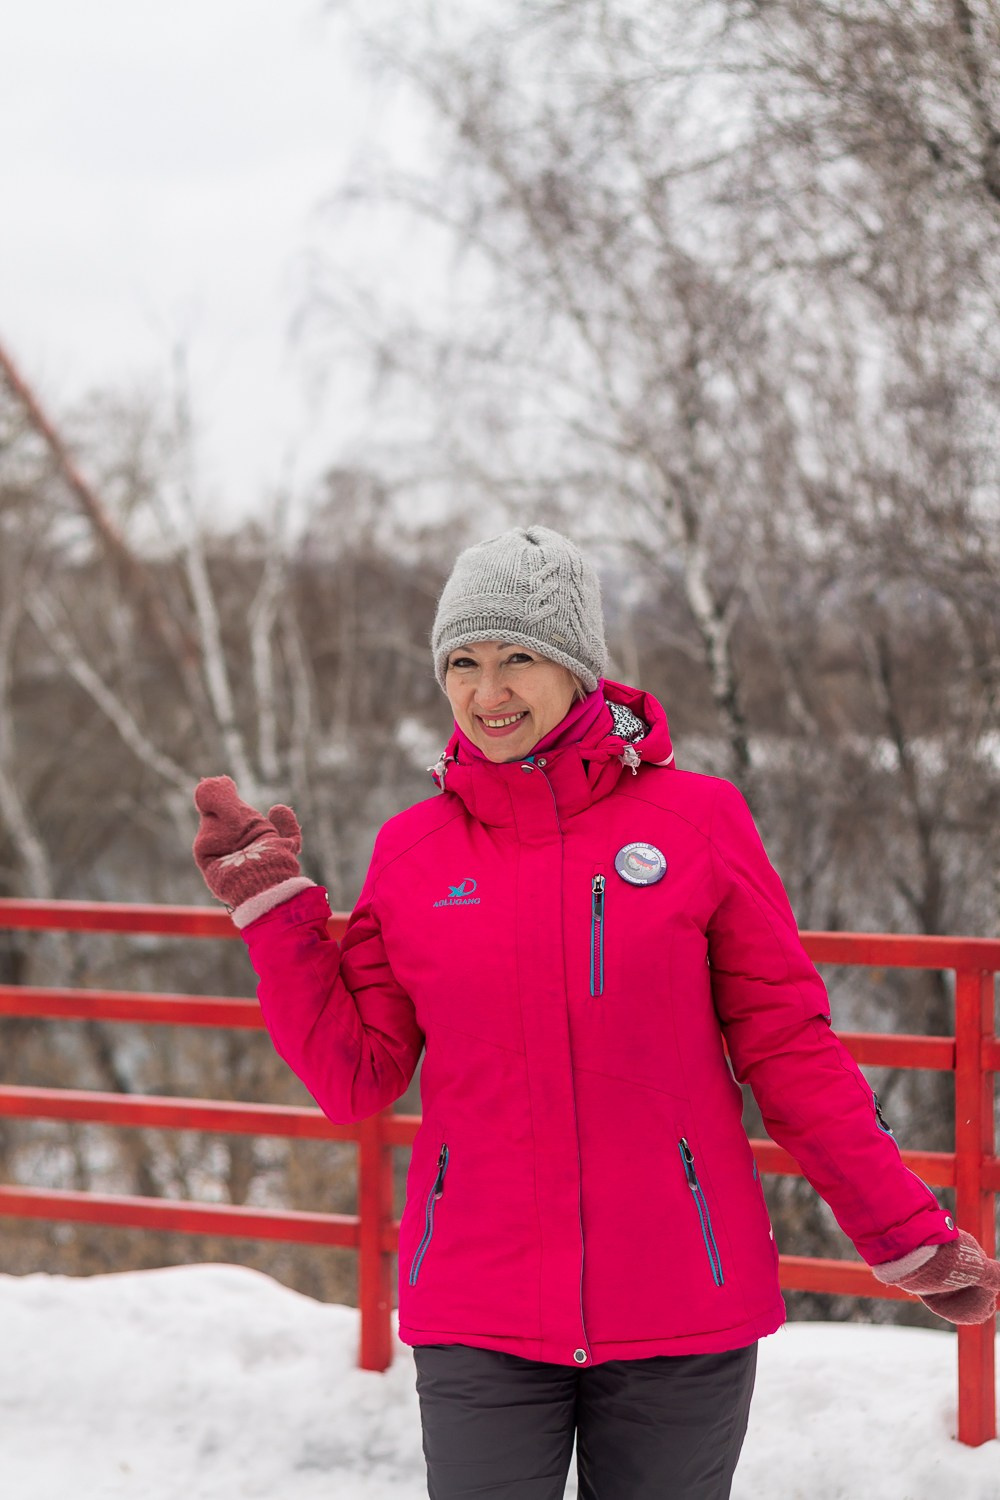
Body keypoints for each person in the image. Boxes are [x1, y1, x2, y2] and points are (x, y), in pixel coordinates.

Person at [192, 526, 999, 1500]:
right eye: (463, 663)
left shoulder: (697, 823)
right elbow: (354, 1078)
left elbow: (788, 1047)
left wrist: (902, 1229)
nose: (487, 693)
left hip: (680, 1297)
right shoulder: (411, 853)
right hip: (477, 1305)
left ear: (577, 668)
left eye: (518, 658)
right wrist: (277, 917)